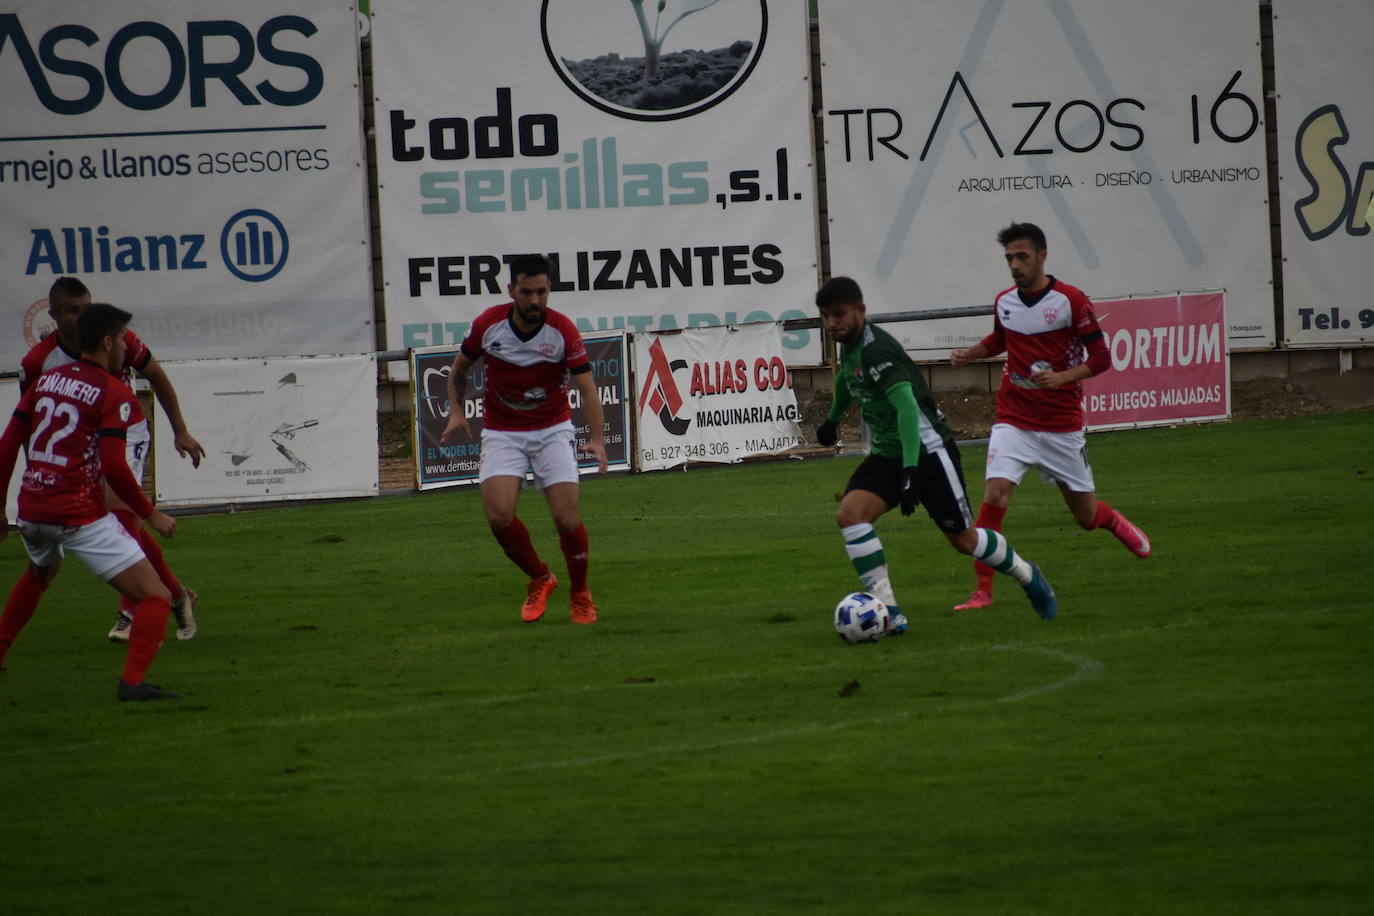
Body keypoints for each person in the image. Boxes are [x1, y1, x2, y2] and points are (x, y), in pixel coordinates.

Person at [815, 276, 1058, 627]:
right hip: (887, 454)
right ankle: (889, 614)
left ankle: (1027, 575)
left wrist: (913, 471)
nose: (832, 324)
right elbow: (845, 379)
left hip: (928, 452)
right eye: (826, 317)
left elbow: (907, 409)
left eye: (838, 315)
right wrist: (832, 419)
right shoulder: (850, 344)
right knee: (850, 515)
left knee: (965, 540)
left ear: (861, 311)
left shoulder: (877, 350)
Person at [949, 222, 1151, 612]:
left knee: (1085, 515)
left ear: (1042, 255)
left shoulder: (1071, 300)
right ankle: (983, 592)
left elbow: (1101, 358)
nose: (1014, 265)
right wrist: (969, 354)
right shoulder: (1005, 301)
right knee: (994, 495)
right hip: (1014, 419)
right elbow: (1000, 340)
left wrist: (1062, 377)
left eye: (1021, 256)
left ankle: (1112, 521)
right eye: (1009, 258)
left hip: (1061, 425)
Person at [0, 303, 183, 701]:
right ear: (106, 342)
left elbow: (9, 443)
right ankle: (133, 684)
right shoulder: (114, 391)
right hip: (76, 512)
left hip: (31, 506)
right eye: (120, 339)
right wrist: (151, 513)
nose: (123, 347)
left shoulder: (47, 381)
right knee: (155, 598)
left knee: (39, 575)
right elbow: (116, 467)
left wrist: (0, 507)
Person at [19, 277, 204, 642]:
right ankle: (176, 593)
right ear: (53, 316)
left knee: (121, 514)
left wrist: (180, 430)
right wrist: (37, 465)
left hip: (126, 429)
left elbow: (156, 376)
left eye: (85, 308)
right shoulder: (38, 362)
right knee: (109, 523)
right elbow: (30, 422)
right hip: (77, 445)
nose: (81, 316)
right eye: (72, 310)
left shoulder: (119, 340)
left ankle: (131, 611)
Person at [440, 254, 609, 624]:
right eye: (527, 292)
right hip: (503, 432)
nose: (535, 301)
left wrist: (597, 438)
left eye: (542, 292)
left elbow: (588, 388)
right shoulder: (489, 324)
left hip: (552, 430)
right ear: (512, 290)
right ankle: (540, 578)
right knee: (499, 516)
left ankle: (580, 593)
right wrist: (455, 410)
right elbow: (459, 368)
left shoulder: (562, 330)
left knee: (566, 519)